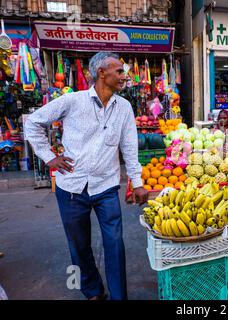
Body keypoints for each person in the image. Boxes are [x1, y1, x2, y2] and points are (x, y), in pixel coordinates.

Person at [25, 52, 148, 300]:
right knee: (79, 245)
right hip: (72, 188)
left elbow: (129, 148)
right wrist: (49, 157)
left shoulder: (124, 108)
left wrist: (137, 183)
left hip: (106, 186)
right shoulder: (73, 101)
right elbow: (33, 123)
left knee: (115, 244)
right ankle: (92, 290)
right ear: (102, 72)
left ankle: (118, 296)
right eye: (119, 71)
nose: (124, 76)